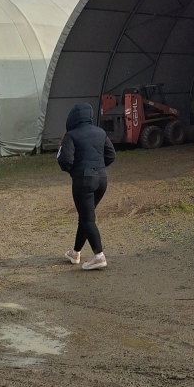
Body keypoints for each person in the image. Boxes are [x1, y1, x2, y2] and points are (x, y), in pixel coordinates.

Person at [57, 102, 116, 270]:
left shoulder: (71, 135)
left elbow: (64, 159)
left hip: (84, 180)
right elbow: (111, 155)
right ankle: (75, 253)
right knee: (85, 216)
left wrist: (74, 171)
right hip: (102, 179)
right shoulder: (100, 132)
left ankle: (99, 256)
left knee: (88, 219)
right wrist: (98, 167)